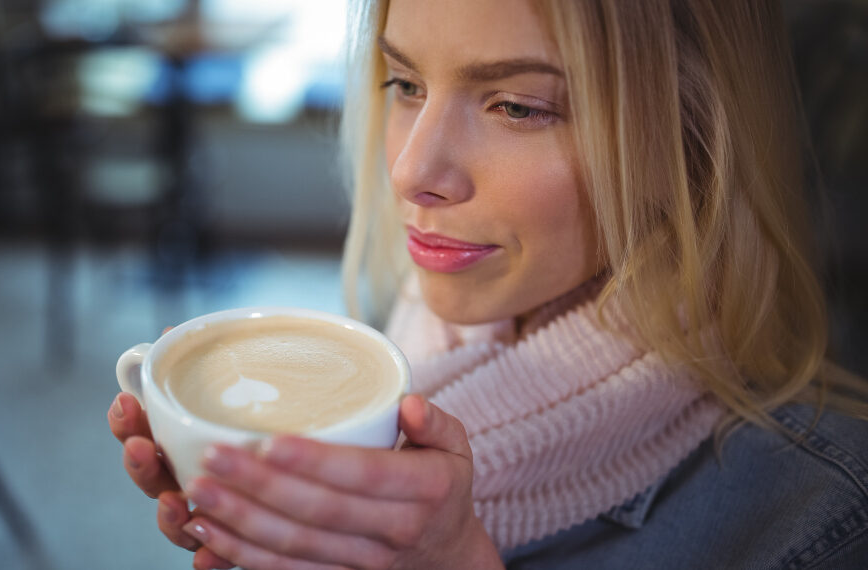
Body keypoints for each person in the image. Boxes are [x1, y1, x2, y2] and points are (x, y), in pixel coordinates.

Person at [108, 0, 868, 568]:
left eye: (517, 106)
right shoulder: (401, 345)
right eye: (405, 83)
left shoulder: (820, 513)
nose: (412, 171)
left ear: (691, 136)